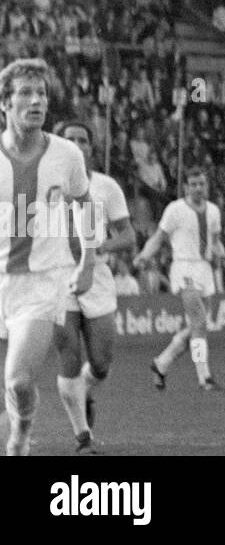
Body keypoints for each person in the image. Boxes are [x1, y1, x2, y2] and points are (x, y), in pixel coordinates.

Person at [0, 58, 96, 456]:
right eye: (25, 93)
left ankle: (21, 430)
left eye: (41, 93)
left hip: (42, 283)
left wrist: (87, 260)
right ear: (5, 103)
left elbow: (85, 204)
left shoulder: (67, 155)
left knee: (20, 380)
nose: (36, 101)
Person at [51, 120, 136, 454]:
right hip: (57, 277)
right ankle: (82, 437)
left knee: (101, 361)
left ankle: (85, 390)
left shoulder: (105, 187)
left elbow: (128, 235)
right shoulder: (44, 185)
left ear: (90, 146)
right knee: (67, 355)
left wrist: (99, 250)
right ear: (59, 143)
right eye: (69, 138)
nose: (76, 143)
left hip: (97, 277)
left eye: (83, 139)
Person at [133, 168, 225, 391]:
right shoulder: (175, 210)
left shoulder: (214, 211)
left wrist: (223, 255)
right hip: (184, 267)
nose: (197, 188)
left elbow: (215, 242)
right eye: (193, 184)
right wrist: (144, 255)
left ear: (207, 186)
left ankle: (161, 363)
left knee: (198, 325)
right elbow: (158, 237)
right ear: (185, 187)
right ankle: (204, 376)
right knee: (199, 321)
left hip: (205, 270)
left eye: (201, 184)